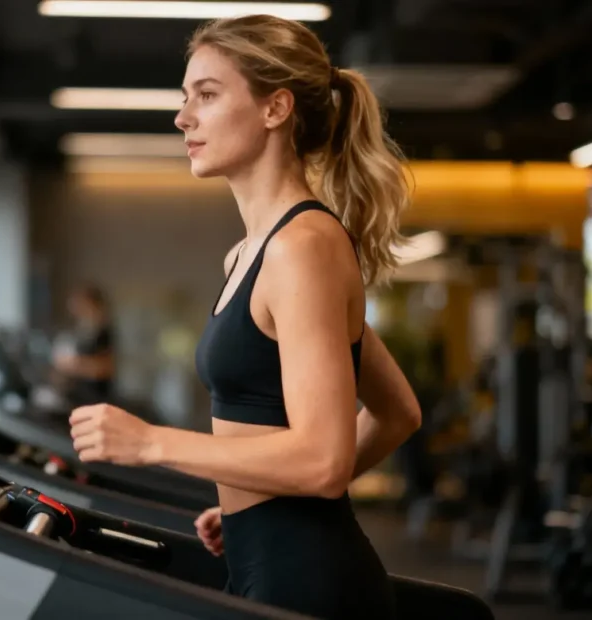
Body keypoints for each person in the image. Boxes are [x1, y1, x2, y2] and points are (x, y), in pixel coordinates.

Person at [68, 14, 421, 619]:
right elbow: (398, 411)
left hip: (309, 582)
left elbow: (324, 461)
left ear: (274, 108)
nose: (183, 117)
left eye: (206, 95)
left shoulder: (301, 248)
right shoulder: (250, 253)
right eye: (185, 97)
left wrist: (151, 443)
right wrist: (260, 495)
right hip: (264, 561)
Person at [52, 285, 115, 405]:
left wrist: (73, 364)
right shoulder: (82, 330)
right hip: (78, 395)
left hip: (94, 397)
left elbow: (105, 369)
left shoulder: (103, 332)